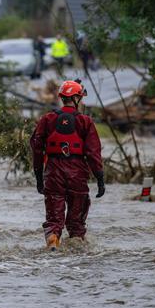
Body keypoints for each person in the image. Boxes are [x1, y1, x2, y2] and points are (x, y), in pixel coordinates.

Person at [29, 79, 104, 250]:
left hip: (53, 172)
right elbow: (94, 153)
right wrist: (100, 178)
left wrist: (39, 178)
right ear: (77, 98)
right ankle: (77, 249)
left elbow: (37, 150)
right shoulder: (85, 121)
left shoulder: (47, 119)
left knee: (54, 220)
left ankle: (53, 241)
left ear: (62, 97)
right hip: (77, 172)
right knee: (77, 223)